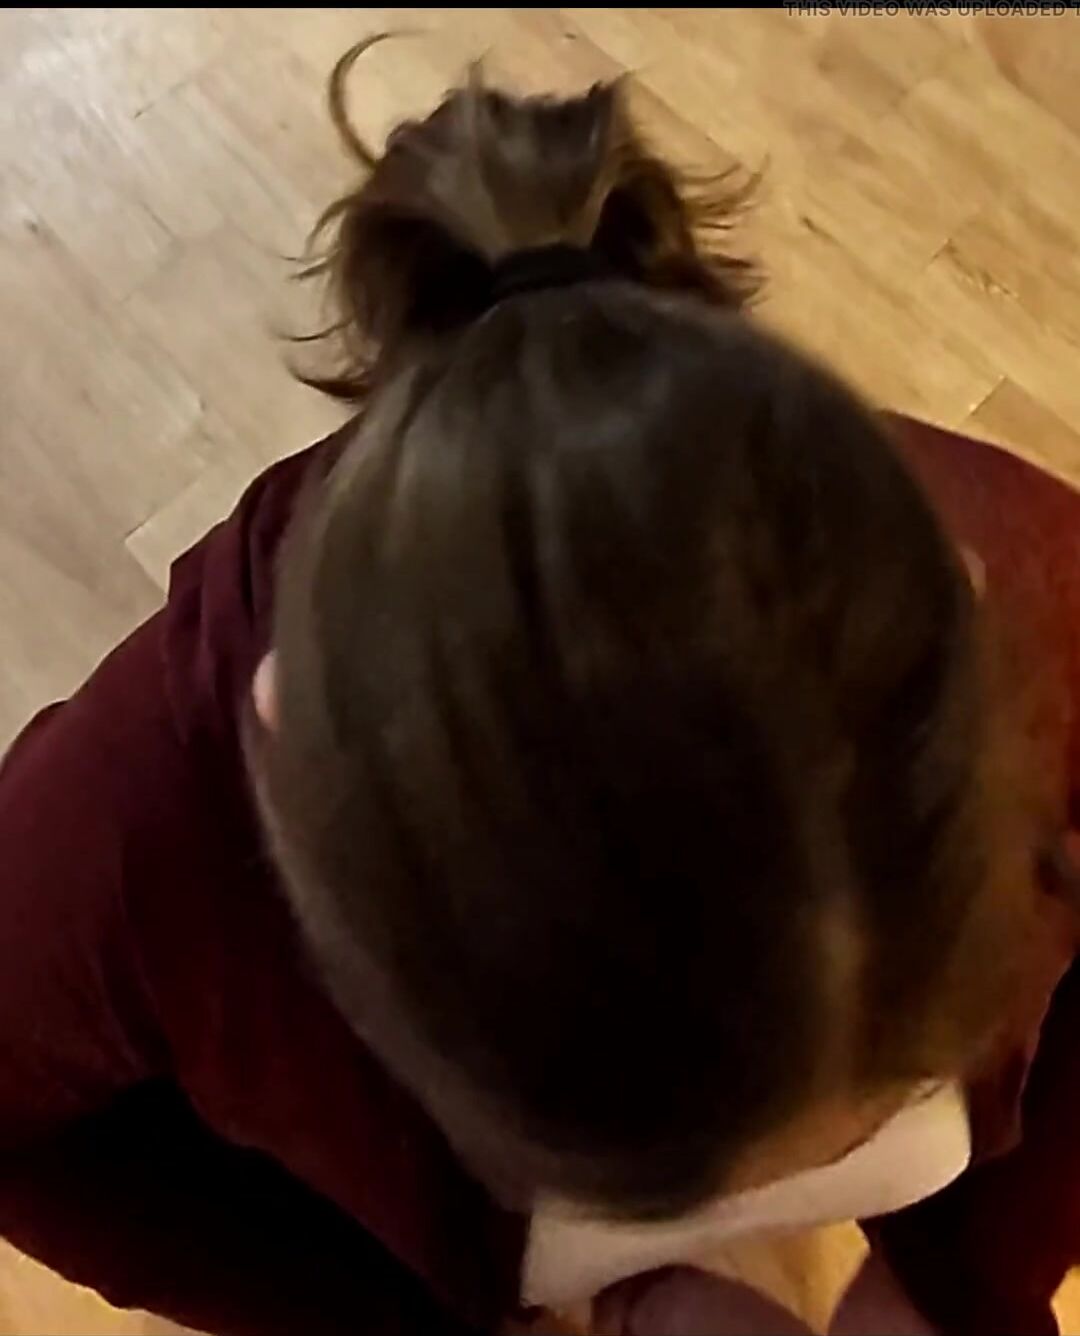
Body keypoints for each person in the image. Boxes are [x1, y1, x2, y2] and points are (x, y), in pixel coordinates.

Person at [3, 41, 1080, 1336]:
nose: (739, 1217)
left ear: (972, 608)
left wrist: (943, 1294)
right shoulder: (130, 837)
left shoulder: (1059, 611)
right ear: (275, 769)